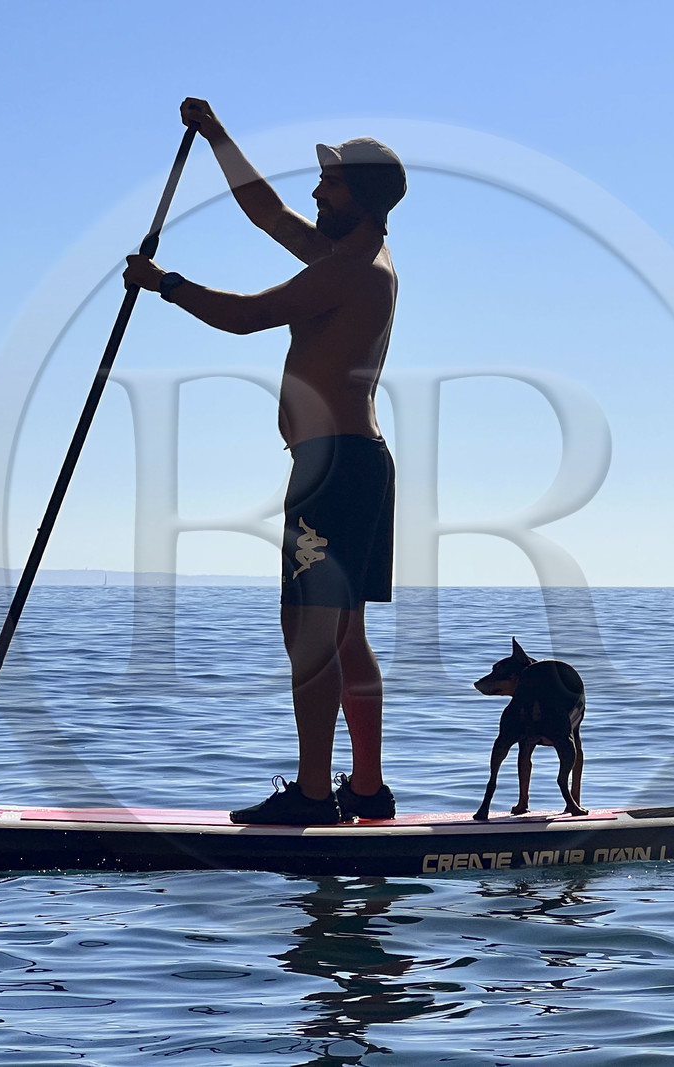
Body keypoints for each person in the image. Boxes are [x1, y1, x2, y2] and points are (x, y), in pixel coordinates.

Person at [122, 98, 404, 825]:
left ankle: (314, 799)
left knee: (310, 632)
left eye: (332, 186)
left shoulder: (355, 269)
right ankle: (366, 792)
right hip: (359, 464)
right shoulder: (349, 255)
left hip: (334, 470)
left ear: (363, 200)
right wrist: (218, 137)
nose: (318, 193)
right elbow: (269, 213)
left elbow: (248, 315)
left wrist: (166, 285)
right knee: (344, 633)